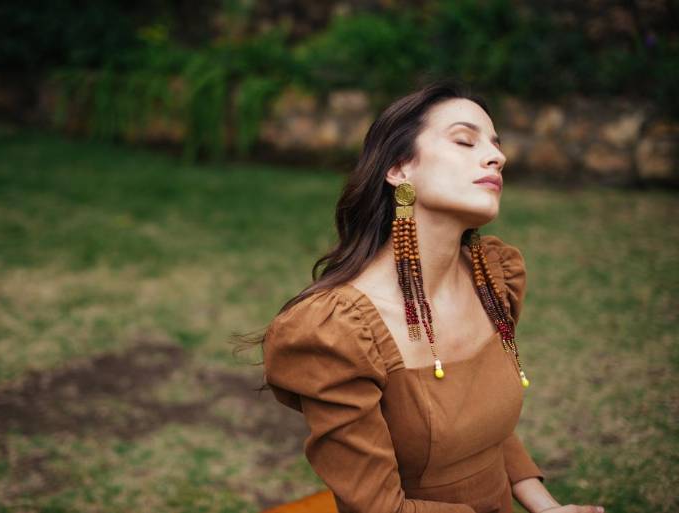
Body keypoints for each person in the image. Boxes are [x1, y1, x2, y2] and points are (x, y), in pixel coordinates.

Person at [256, 80, 606, 513]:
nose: (498, 157)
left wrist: (546, 506)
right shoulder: (338, 333)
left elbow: (483, 430)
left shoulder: (491, 280)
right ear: (399, 169)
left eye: (495, 145)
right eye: (465, 141)